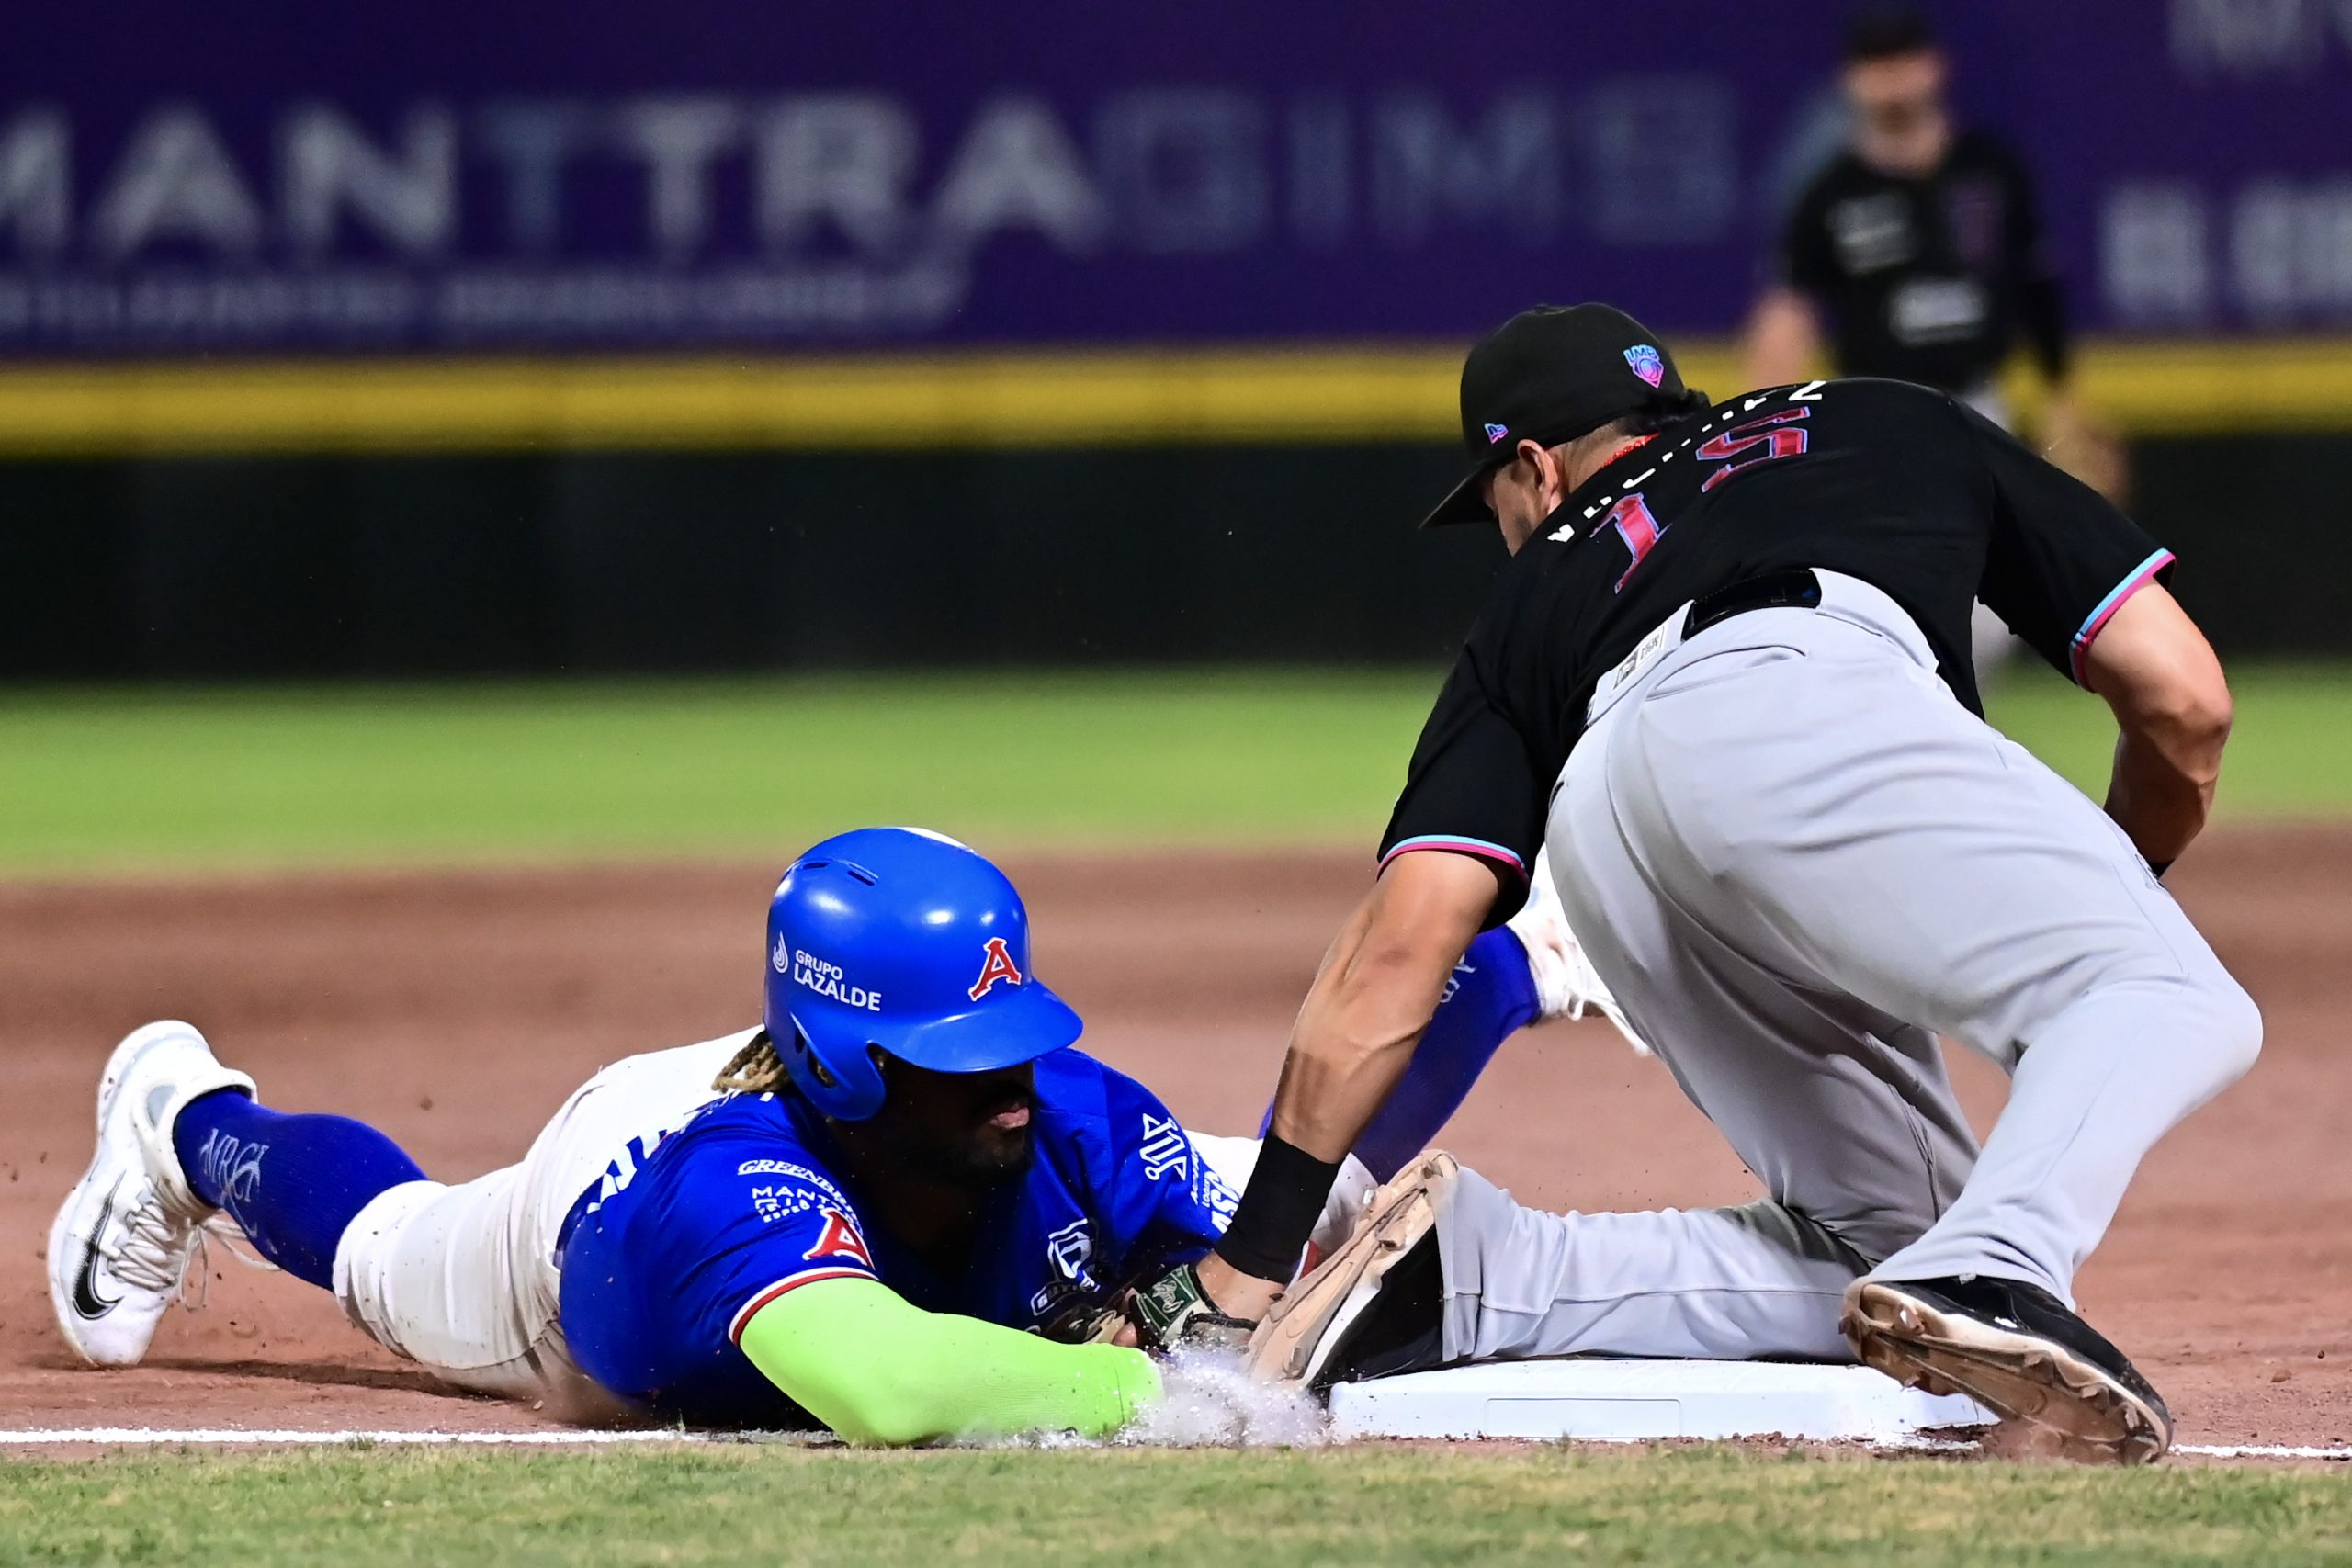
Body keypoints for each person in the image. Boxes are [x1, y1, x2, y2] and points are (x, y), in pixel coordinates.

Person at [1157, 303, 2259, 1463]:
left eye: (1493, 505)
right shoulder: (1887, 418)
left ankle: (1475, 1276)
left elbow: (1401, 944)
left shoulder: (1534, 593)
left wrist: (1249, 1265)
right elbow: (2183, 698)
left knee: (1898, 1257)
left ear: (1533, 470)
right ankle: (1999, 1264)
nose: (1507, 530)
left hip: (1604, 832)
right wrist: (2107, 896)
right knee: (2161, 992)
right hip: (1809, 696)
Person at [48, 826, 1600, 1442]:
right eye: (958, 1060)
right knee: (389, 1252)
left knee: (1296, 1206)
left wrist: (1201, 1289)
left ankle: (1528, 957)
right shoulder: (721, 1190)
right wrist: (1146, 1383)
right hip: (587, 1230)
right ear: (843, 1065)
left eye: (1014, 1036)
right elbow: (882, 1382)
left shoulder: (1057, 1105)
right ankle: (184, 1118)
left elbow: (1277, 1215)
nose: (1011, 1080)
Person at [1745, 7, 2124, 671]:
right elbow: (1785, 320)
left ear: (1933, 67)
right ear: (1851, 80)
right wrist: (1768, 435)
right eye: (1874, 67)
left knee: (1993, 614)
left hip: (1981, 407)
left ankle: (1947, 724)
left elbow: (2038, 293)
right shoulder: (1832, 195)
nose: (1891, 82)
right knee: (1895, 597)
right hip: (1876, 415)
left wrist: (2065, 402)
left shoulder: (1990, 170)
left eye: (1902, 62)